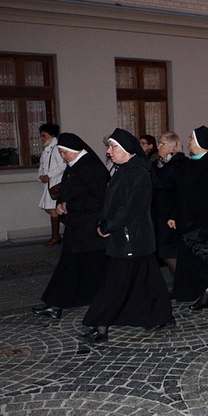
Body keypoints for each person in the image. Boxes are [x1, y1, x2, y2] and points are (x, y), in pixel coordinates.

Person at [81, 128, 173, 343]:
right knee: (149, 280)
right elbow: (110, 203)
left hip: (132, 238)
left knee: (114, 284)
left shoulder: (139, 173)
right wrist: (101, 222)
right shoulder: (122, 170)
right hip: (130, 238)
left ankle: (101, 328)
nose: (109, 151)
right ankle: (163, 316)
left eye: (113, 147)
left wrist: (109, 226)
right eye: (109, 147)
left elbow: (131, 209)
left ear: (127, 150)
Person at [32, 133, 110, 320]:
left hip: (89, 229)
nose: (63, 156)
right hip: (78, 227)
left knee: (89, 268)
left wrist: (69, 206)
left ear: (75, 150)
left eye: (64, 152)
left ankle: (57, 305)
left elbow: (98, 198)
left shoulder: (90, 167)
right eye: (60, 152)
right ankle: (56, 305)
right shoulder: (74, 167)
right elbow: (68, 190)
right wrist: (61, 203)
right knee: (73, 267)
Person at [169, 126, 208, 308]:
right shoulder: (189, 163)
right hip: (187, 218)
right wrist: (173, 214)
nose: (188, 142)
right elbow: (179, 192)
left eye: (191, 139)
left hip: (205, 220)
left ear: (202, 143)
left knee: (201, 258)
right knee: (190, 258)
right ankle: (206, 290)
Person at [151, 131, 187, 274]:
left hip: (172, 214)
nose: (158, 146)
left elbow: (180, 192)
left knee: (170, 252)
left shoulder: (180, 164)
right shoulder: (157, 164)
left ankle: (184, 282)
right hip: (159, 213)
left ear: (172, 147)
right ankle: (181, 282)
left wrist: (173, 215)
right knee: (164, 252)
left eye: (162, 143)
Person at [37, 123, 66, 246]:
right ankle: (56, 235)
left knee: (53, 209)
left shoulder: (55, 148)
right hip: (49, 184)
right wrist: (41, 176)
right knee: (50, 209)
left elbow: (62, 165)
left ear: (52, 135)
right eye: (41, 135)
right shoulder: (47, 149)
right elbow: (42, 166)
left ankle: (56, 236)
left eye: (44, 135)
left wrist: (49, 176)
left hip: (55, 184)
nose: (42, 138)